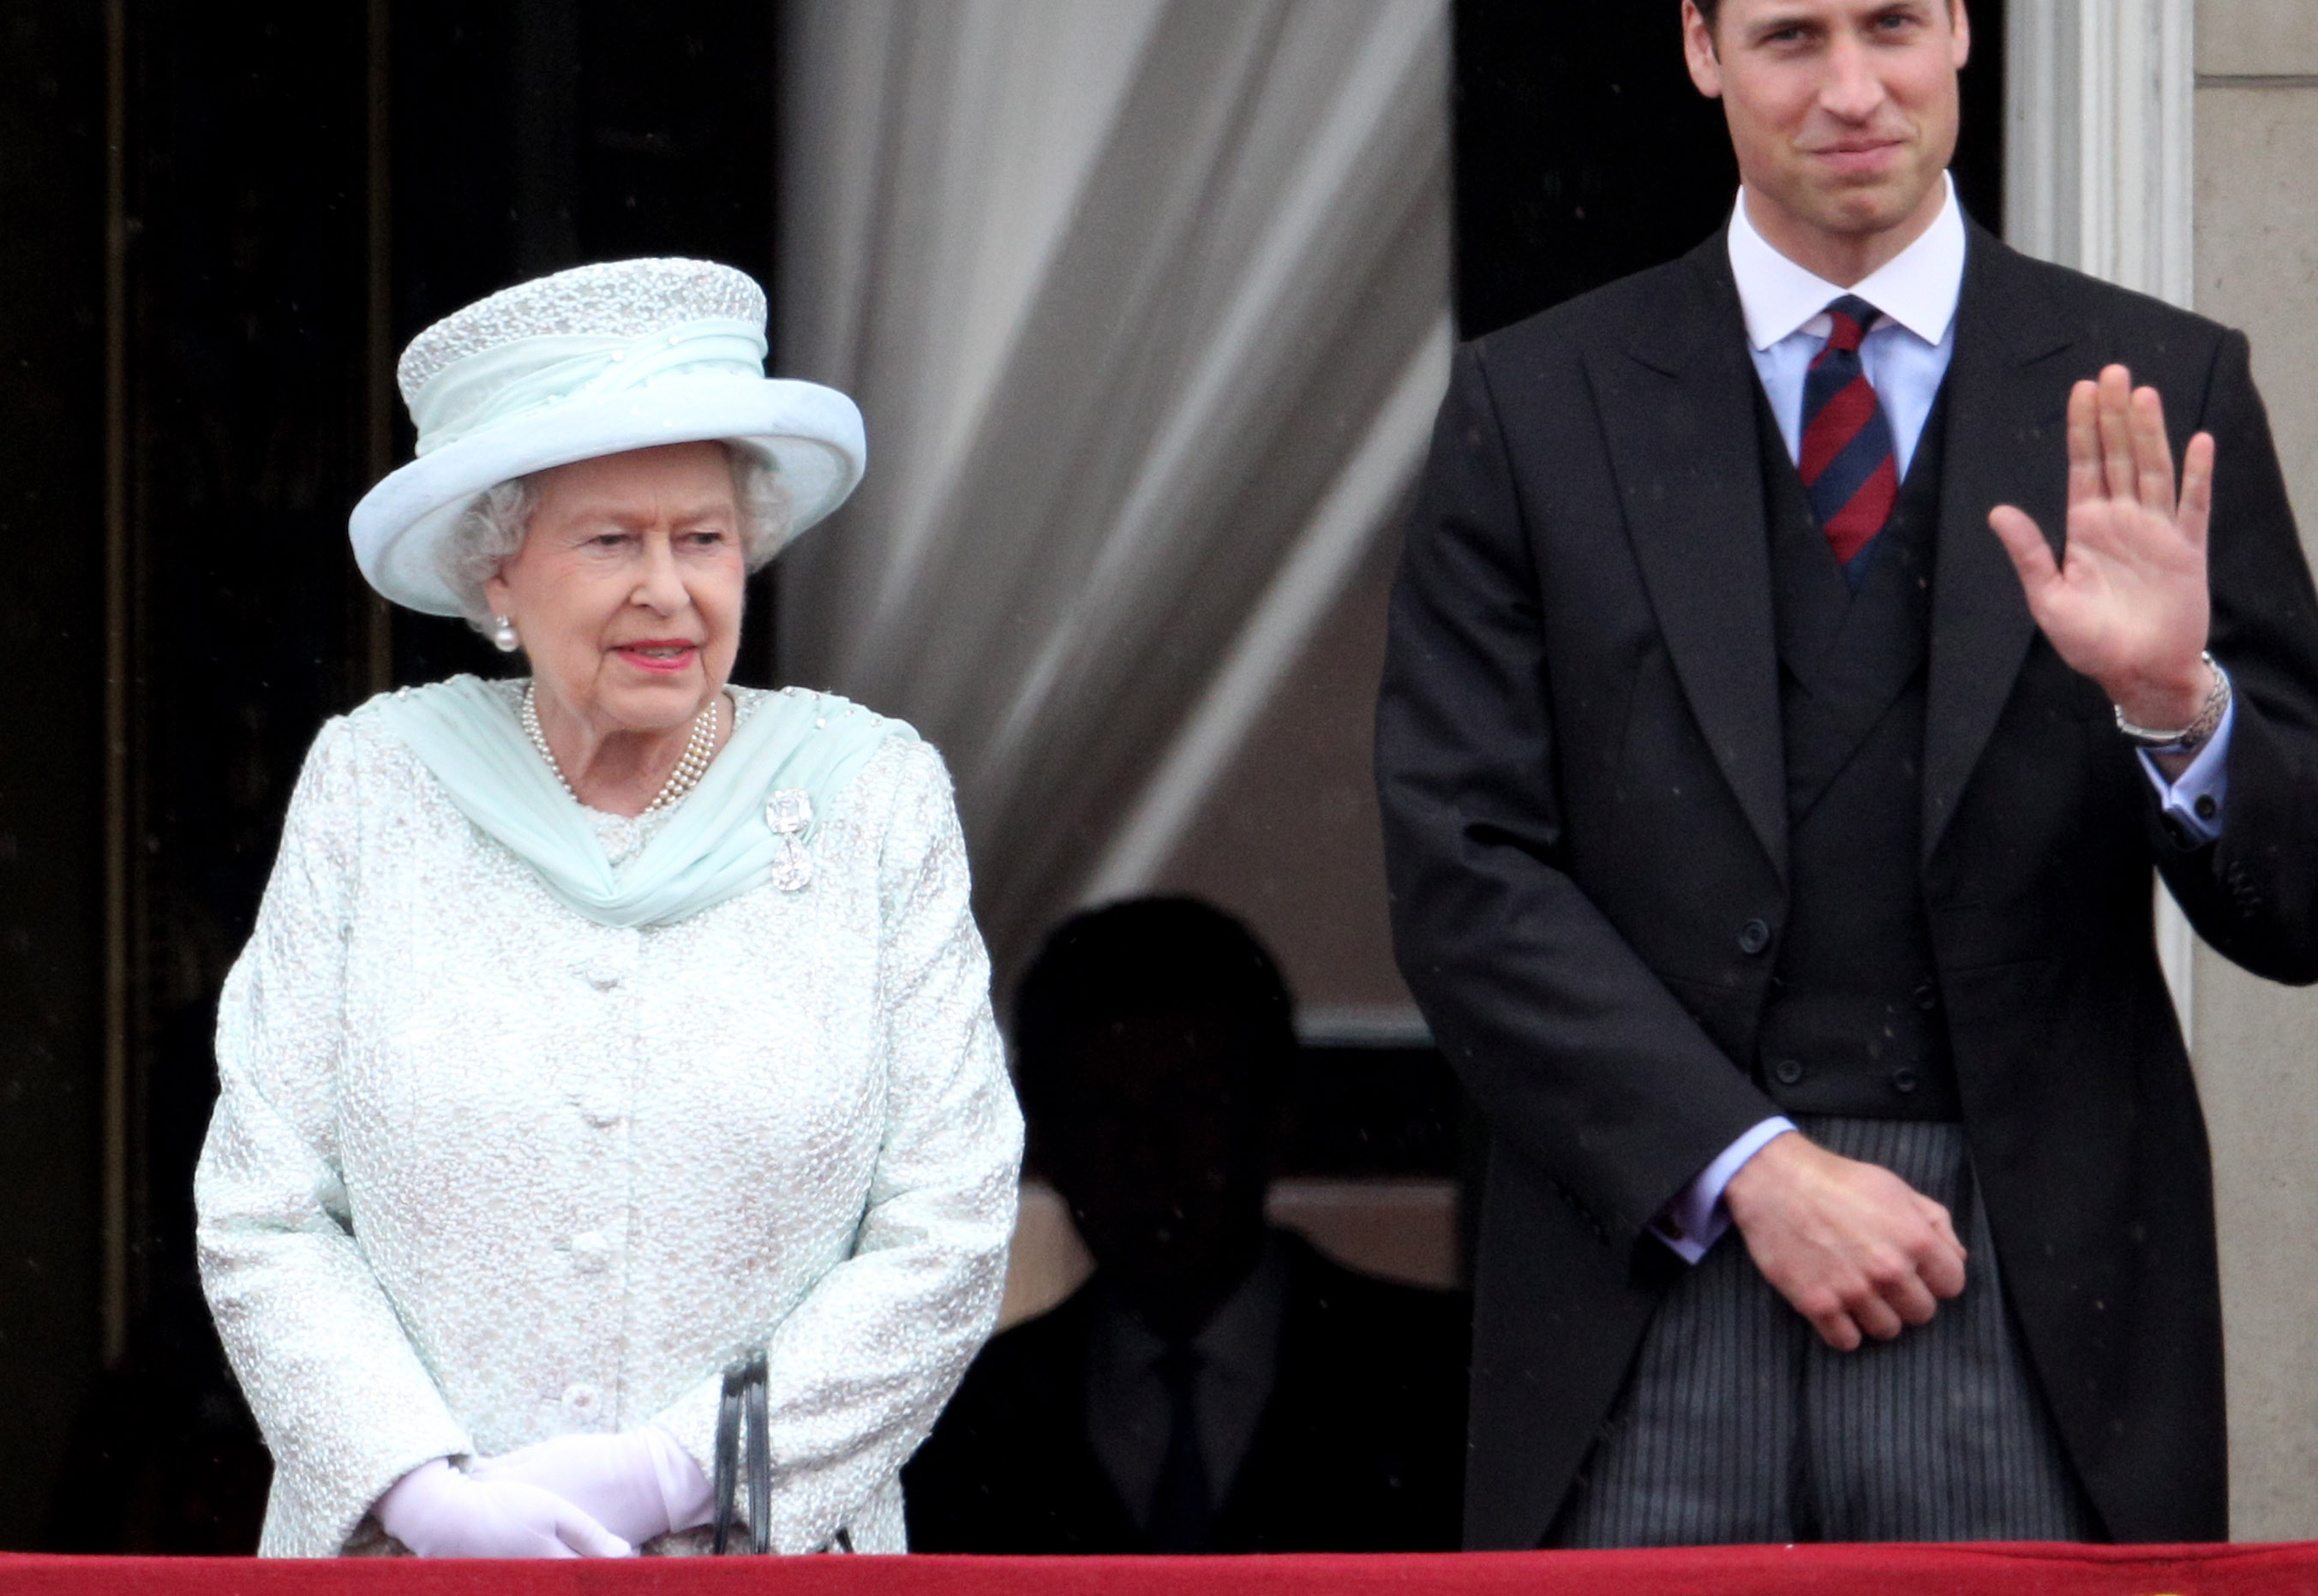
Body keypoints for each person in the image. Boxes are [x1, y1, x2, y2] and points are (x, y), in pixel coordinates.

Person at [1374, 0, 2318, 1551]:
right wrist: (1747, 1164)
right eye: (1792, 35)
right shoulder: (1538, 409)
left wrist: (2176, 704)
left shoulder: (2156, 388)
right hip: (1656, 1263)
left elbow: (2316, 900)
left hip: (2035, 1286)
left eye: (1894, 24)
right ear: (1700, 47)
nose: (1854, 87)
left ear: (1964, 21)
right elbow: (1463, 874)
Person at [195, 257, 1022, 1557]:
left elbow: (952, 1226)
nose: (667, 588)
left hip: (762, 1571)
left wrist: (679, 1472)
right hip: (405, 1578)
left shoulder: (873, 799)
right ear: (498, 577)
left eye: (702, 537)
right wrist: (425, 1496)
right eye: (609, 540)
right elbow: (265, 1206)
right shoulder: (375, 786)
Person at [902, 897, 1466, 1552]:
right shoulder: (964, 1422)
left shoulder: (1446, 1383)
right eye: (1102, 1111)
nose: (1147, 1154)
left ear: (1273, 1115)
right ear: (1045, 1139)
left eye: (1191, 1103)